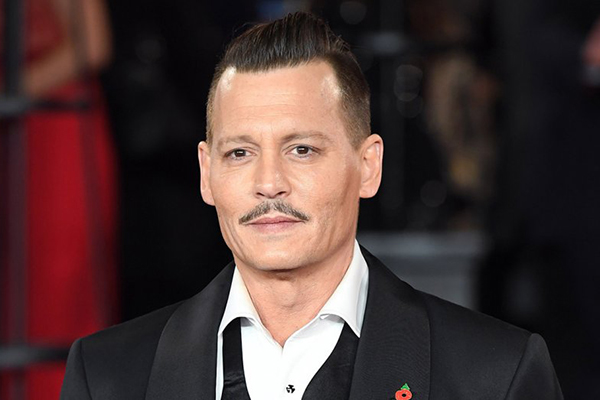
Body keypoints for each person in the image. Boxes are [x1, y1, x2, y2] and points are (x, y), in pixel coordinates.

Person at [60, 12, 563, 400]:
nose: (269, 184)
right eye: (240, 153)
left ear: (368, 166)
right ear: (206, 173)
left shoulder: (496, 375)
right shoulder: (106, 376)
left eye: (301, 149)